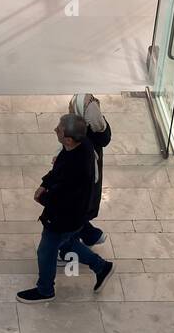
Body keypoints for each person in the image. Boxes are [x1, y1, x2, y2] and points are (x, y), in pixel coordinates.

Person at [18, 113, 114, 303]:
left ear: (68, 139)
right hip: (76, 217)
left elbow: (60, 199)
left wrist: (42, 197)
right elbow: (57, 169)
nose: (56, 130)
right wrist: (46, 182)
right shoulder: (81, 145)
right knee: (68, 243)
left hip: (63, 219)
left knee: (45, 251)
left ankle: (45, 290)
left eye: (59, 129)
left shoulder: (74, 169)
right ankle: (101, 267)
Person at [59, 93, 110, 261]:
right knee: (74, 216)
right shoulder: (95, 133)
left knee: (70, 220)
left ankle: (70, 252)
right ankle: (91, 235)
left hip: (81, 192)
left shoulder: (82, 146)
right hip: (86, 189)